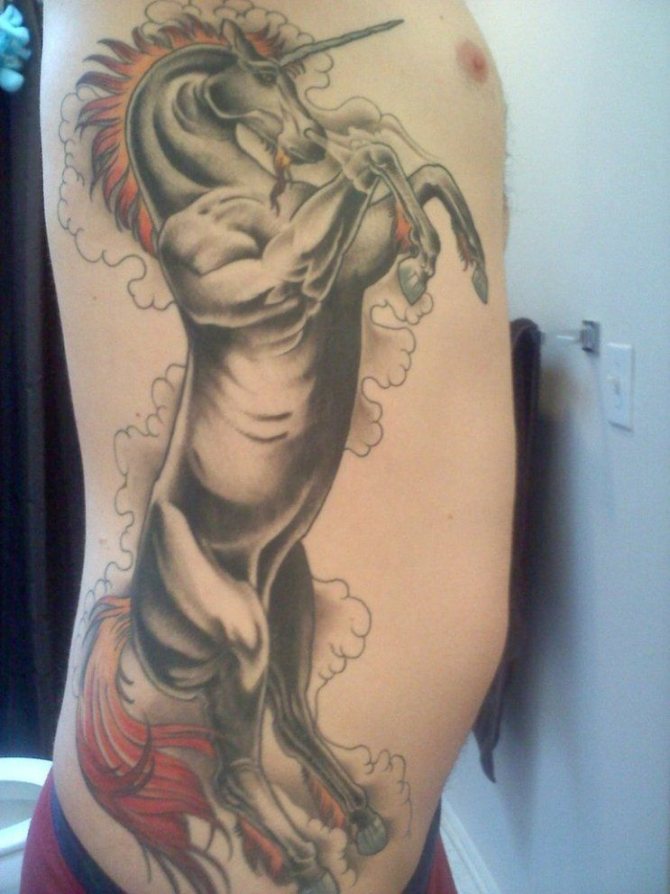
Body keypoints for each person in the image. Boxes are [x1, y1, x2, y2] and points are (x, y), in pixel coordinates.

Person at [26, 1, 514, 891]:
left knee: (277, 646)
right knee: (248, 640)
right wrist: (355, 184)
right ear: (213, 90)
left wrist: (387, 192)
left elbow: (344, 262)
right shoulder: (196, 234)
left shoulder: (273, 196)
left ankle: (314, 781)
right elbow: (286, 275)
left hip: (415, 852)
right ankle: (257, 798)